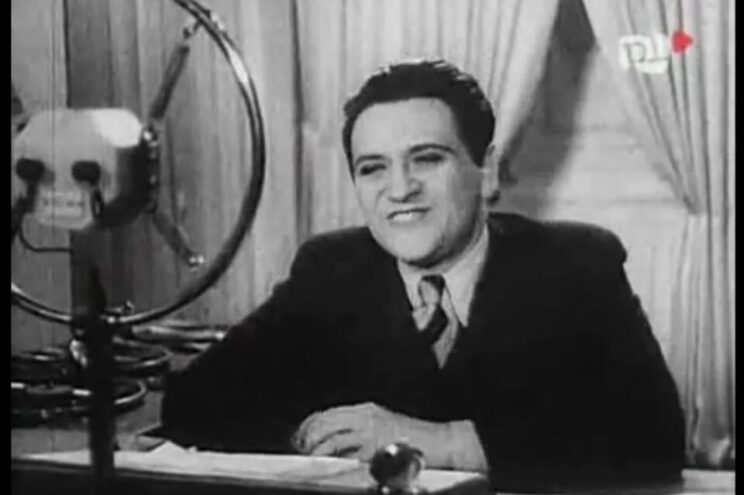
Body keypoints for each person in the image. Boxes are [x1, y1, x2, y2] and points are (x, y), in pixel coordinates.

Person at [160, 60, 685, 492]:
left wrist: (446, 442)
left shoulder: (576, 265)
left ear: (486, 172)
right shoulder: (331, 269)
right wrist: (315, 436)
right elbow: (194, 402)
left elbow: (654, 437)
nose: (400, 189)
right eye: (373, 168)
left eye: (427, 159)